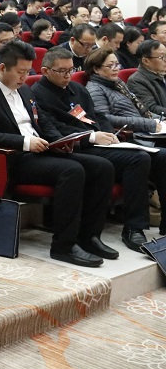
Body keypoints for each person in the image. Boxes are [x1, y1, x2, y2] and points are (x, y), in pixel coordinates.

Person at [0, 40, 115, 266]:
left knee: (102, 167)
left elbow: (42, 121)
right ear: (3, 68)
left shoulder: (25, 90)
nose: (25, 77)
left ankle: (89, 236)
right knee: (72, 170)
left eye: (28, 72)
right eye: (21, 72)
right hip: (15, 158)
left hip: (41, 151)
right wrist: (25, 142)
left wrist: (60, 141)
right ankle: (63, 246)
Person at [33, 47, 160, 252]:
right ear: (46, 71)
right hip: (76, 146)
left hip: (98, 141)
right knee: (136, 159)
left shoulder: (77, 89)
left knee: (149, 157)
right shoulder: (38, 95)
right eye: (62, 71)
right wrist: (92, 137)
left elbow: (97, 116)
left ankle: (142, 226)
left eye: (70, 70)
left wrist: (109, 134)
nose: (68, 75)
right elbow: (55, 129)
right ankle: (120, 230)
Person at [125, 41, 166, 117]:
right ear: (146, 61)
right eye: (161, 57)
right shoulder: (136, 81)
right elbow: (151, 108)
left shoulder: (162, 73)